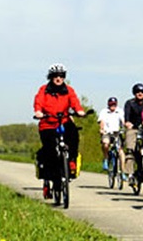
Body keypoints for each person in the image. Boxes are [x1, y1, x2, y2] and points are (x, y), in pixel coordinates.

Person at [33, 63, 86, 199]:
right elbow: (38, 102)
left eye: (61, 76)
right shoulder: (44, 90)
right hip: (48, 123)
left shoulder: (68, 90)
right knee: (50, 150)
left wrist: (79, 110)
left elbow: (74, 102)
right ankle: (52, 178)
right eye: (56, 76)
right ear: (51, 77)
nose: (58, 78)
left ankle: (71, 160)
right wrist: (38, 111)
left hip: (63, 121)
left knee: (73, 134)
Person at [122, 82, 143, 188]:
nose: (140, 94)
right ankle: (130, 173)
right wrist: (128, 123)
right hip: (133, 129)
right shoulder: (130, 103)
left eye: (142, 92)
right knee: (130, 149)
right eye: (137, 92)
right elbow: (126, 116)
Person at [97, 96, 125, 173]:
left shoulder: (120, 111)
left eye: (114, 104)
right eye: (111, 104)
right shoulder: (104, 111)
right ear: (108, 104)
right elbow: (102, 121)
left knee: (121, 152)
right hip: (107, 132)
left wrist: (125, 127)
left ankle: (123, 172)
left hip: (117, 133)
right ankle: (106, 159)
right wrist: (102, 129)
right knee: (105, 143)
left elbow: (123, 120)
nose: (113, 106)